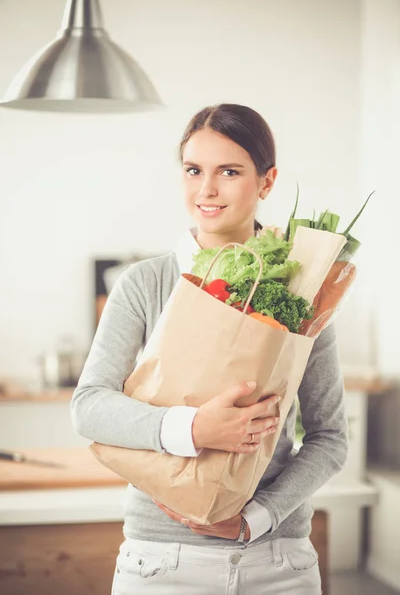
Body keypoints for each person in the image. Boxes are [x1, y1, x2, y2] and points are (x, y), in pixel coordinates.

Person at [71, 103, 348, 595]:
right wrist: (195, 428)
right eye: (194, 170)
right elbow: (89, 407)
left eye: (230, 171)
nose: (207, 189)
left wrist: (256, 518)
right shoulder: (144, 283)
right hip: (161, 562)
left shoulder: (304, 287)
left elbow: (330, 437)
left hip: (277, 561)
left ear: (267, 181)